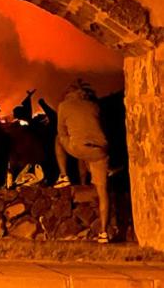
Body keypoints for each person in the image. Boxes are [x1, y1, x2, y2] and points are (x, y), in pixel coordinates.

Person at [54, 79, 110, 243]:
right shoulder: (94, 106)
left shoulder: (64, 106)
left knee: (59, 139)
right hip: (100, 151)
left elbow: (61, 131)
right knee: (103, 192)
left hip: (79, 147)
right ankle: (103, 233)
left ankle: (64, 176)